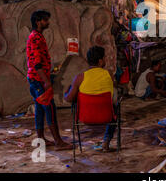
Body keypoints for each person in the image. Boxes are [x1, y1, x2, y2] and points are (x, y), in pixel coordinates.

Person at [26, 10, 72, 150]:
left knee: (40, 109)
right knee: (50, 108)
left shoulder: (37, 36)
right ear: (38, 21)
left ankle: (41, 139)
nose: (48, 22)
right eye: (45, 20)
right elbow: (37, 63)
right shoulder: (36, 38)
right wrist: (46, 81)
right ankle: (59, 142)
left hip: (36, 79)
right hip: (38, 80)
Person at [64, 46, 118, 152]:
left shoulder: (80, 77)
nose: (106, 60)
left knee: (75, 98)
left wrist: (67, 92)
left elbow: (69, 99)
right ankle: (106, 141)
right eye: (105, 58)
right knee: (114, 106)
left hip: (85, 118)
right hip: (106, 117)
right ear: (100, 61)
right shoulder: (109, 75)